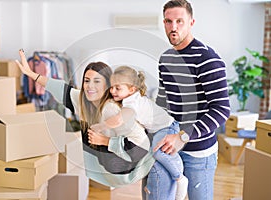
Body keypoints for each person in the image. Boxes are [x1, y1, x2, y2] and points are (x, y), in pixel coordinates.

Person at [15, 49, 155, 187]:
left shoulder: (110, 110)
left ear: (107, 85)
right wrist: (31, 74)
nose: (90, 86)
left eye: (97, 81)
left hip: (150, 165)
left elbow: (141, 145)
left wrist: (106, 141)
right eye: (87, 81)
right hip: (129, 172)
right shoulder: (83, 101)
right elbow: (59, 88)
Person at [150, 0, 231, 200]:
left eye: (180, 21)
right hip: (169, 147)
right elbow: (164, 100)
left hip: (198, 152)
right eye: (168, 21)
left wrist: (182, 137)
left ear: (191, 22)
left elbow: (221, 110)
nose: (173, 27)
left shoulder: (207, 58)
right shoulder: (165, 58)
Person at [90, 65, 188, 200]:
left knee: (157, 150)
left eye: (118, 88)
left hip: (166, 127)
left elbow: (119, 120)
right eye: (111, 87)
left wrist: (101, 126)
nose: (112, 91)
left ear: (132, 89)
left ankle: (180, 178)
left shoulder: (132, 102)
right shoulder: (131, 99)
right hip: (158, 129)